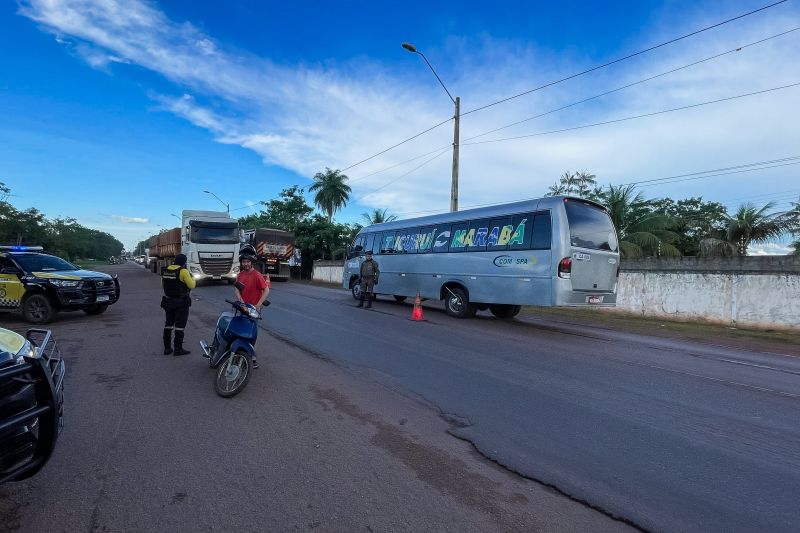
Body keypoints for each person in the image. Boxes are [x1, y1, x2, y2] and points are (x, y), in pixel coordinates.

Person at [235, 245, 270, 368]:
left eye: (248, 261)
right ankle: (239, 353)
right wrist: (241, 301)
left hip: (253, 310)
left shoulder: (257, 275)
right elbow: (237, 289)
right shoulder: (240, 275)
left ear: (252, 262)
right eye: (244, 261)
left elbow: (266, 290)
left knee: (251, 333)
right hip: (242, 308)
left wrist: (258, 304)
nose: (246, 264)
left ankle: (251, 356)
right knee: (240, 330)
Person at [161, 253, 195, 356]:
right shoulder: (183, 271)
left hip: (168, 301)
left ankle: (167, 348)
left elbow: (163, 285)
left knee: (168, 325)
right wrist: (193, 278)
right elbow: (192, 285)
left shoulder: (166, 270)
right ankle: (178, 349)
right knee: (179, 326)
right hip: (181, 303)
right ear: (184, 262)